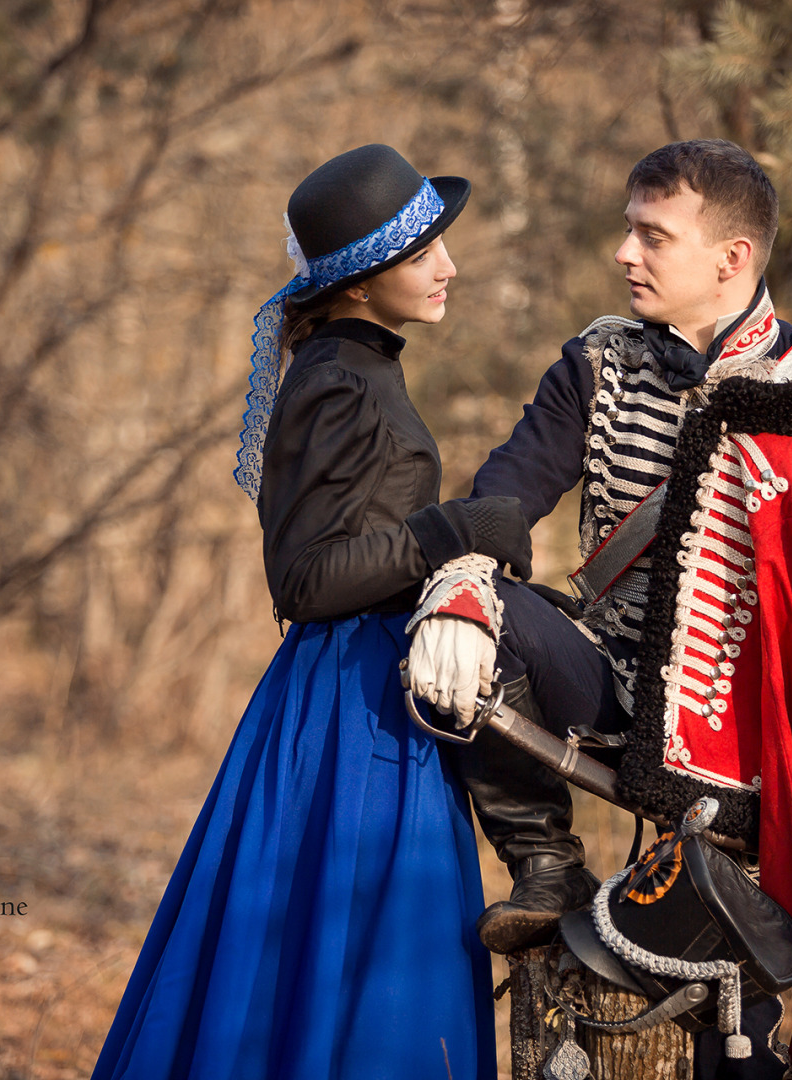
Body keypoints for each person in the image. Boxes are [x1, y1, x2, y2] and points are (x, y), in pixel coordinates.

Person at [405, 139, 792, 1076]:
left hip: (765, 751)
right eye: (629, 230)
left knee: (739, 1007)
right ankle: (549, 865)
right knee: (483, 608)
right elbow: (513, 482)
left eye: (652, 235)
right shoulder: (600, 362)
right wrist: (466, 574)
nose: (625, 253)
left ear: (732, 259)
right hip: (619, 692)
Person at [91, 144, 530, 1080]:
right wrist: (448, 532)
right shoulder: (337, 381)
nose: (448, 267)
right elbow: (304, 581)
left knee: (354, 955)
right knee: (355, 952)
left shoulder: (356, 366)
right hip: (348, 711)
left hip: (369, 691)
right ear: (361, 283)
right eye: (423, 254)